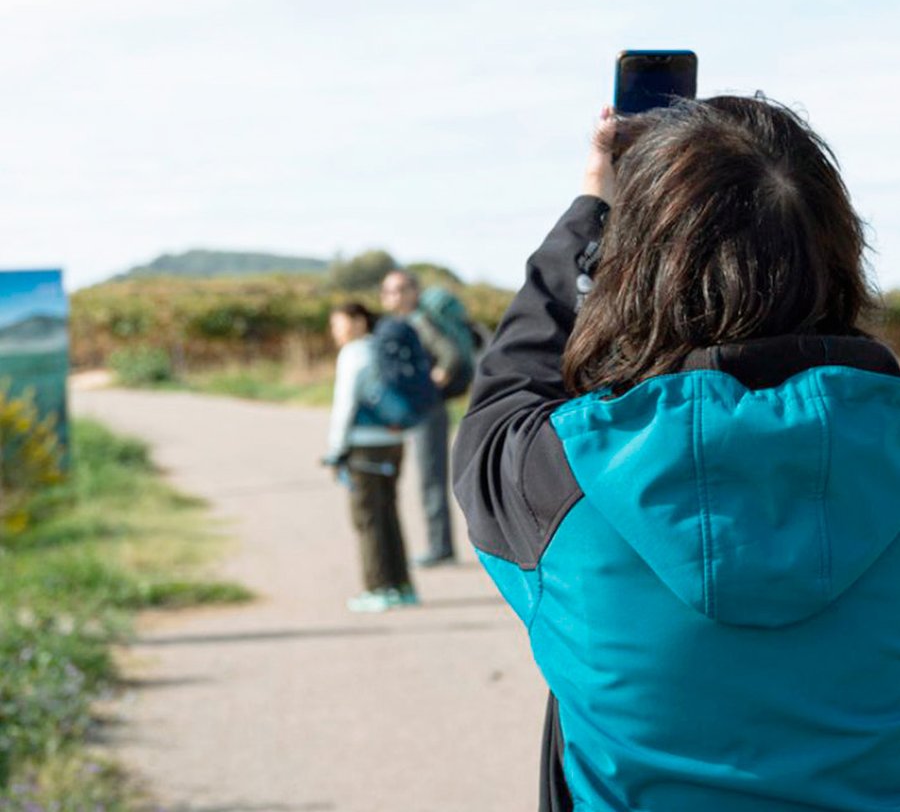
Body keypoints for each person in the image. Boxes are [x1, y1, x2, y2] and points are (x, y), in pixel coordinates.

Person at [452, 95, 900, 812]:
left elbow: (506, 388)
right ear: (840, 250)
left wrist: (590, 204)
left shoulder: (554, 477)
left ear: (635, 271)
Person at [324, 301, 418, 612]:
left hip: (363, 445)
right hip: (393, 440)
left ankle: (378, 588)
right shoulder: (381, 349)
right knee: (388, 513)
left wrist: (335, 450)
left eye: (339, 324)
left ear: (358, 321)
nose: (335, 332)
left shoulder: (353, 353)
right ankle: (402, 586)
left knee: (367, 519)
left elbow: (344, 405)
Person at [380, 269, 457, 566]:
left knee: (431, 478)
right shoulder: (399, 324)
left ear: (414, 292)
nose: (395, 296)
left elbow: (449, 355)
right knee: (425, 477)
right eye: (389, 291)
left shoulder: (421, 322)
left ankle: (441, 548)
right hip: (415, 410)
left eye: (401, 289)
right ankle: (439, 546)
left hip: (428, 411)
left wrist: (428, 386)